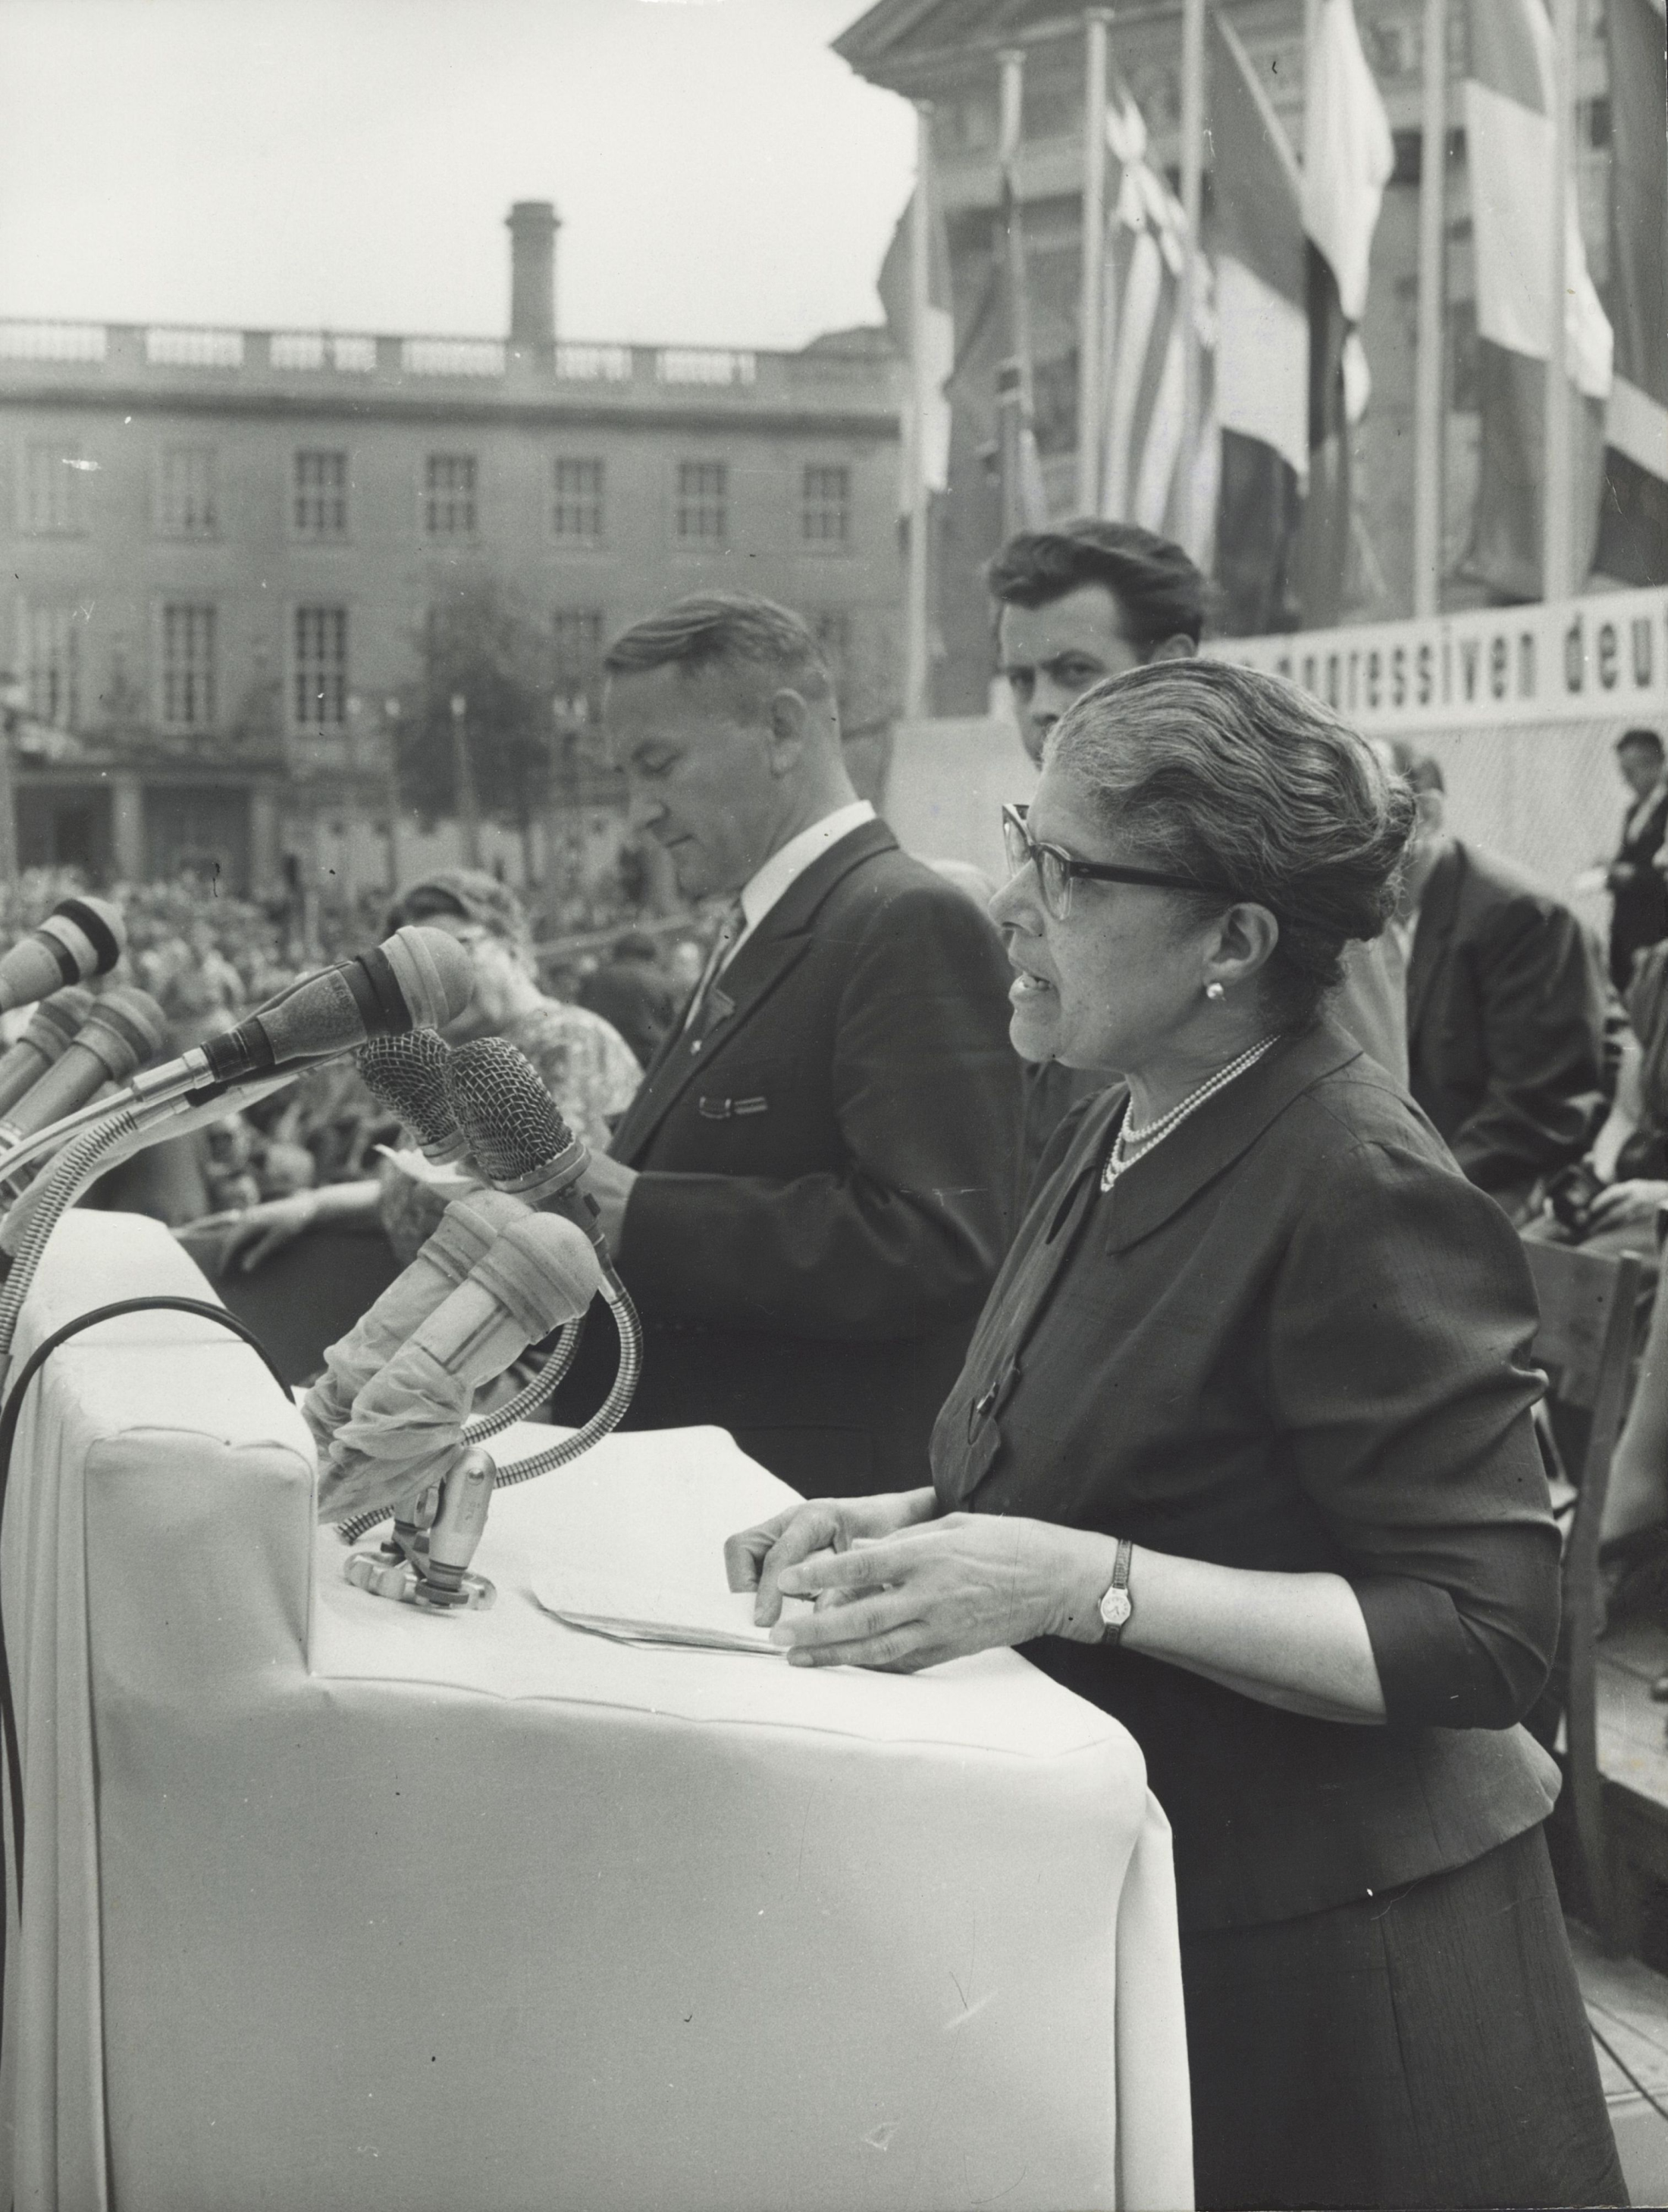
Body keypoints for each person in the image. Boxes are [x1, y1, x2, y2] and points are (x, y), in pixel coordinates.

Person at [726, 661, 1624, 2211]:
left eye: (1064, 871)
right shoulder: (1124, 1110)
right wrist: (920, 1518)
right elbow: (1134, 1451)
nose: (1010, 900)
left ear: (1233, 940)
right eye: (1025, 839)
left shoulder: (1354, 1176)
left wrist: (1080, 1580)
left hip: (1344, 1987)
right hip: (1182, 1904)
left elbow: (1484, 1638)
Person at [567, 593, 1021, 1498]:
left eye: (656, 764)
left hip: (788, 1510)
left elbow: (940, 1242)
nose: (639, 811)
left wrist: (640, 1212)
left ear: (780, 729)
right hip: (719, 1497)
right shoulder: (777, 919)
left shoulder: (903, 918)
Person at [988, 519, 1407, 1188]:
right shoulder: (1052, 846)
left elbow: (1358, 1139)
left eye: (1074, 671)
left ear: (1172, 660)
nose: (1042, 707)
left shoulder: (1271, 860)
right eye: (1019, 678)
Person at [193, 870, 640, 1275]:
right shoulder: (452, 1055)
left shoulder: (573, 1041)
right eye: (419, 973)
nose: (438, 983)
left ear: (513, 946)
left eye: (455, 951)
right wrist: (315, 1205)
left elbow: (548, 1210)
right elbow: (433, 1183)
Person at [1391, 742, 1608, 1223]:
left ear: (1424, 816)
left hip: (1496, 1180)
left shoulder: (1518, 915)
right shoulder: (1359, 916)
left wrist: (1411, 1195)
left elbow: (1536, 1107)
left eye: (1353, 811)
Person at [1606, 725, 1668, 992]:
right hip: (1627, 932)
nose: (1625, 781)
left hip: (1655, 932)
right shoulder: (1635, 812)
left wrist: (1630, 875)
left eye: (1630, 772)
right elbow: (1631, 859)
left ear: (1654, 765)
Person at [575, 930, 677, 1067]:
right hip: (648, 1060)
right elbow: (671, 1023)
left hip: (604, 1060)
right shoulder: (656, 980)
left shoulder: (593, 980)